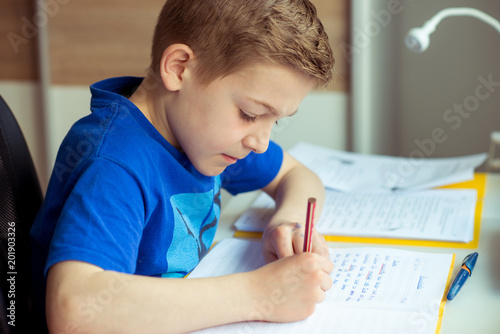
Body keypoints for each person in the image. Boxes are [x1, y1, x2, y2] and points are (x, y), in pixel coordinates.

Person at [30, 0, 336, 332]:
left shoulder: (201, 134)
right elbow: (74, 310)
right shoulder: (116, 163)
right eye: (250, 114)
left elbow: (298, 175)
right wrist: (259, 293)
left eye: (274, 121)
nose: (260, 142)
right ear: (179, 68)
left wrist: (288, 226)